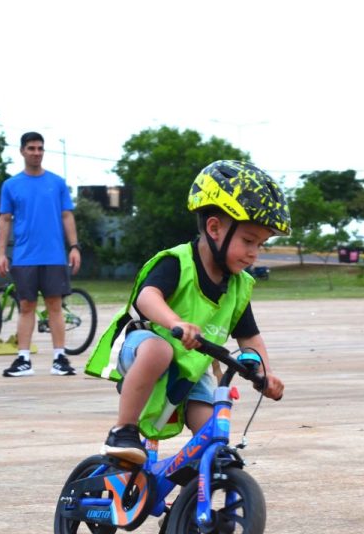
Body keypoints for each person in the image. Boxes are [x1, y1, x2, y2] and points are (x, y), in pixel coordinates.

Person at [85, 160, 287, 463]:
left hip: (190, 370)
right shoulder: (178, 262)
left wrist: (265, 373)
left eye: (261, 244)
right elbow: (147, 298)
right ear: (215, 228)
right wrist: (175, 322)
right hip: (143, 350)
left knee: (213, 440)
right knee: (159, 349)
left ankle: (199, 490)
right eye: (248, 240)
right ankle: (123, 431)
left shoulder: (237, 286)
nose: (253, 253)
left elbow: (250, 338)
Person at [0, 131, 82, 377]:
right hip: (24, 256)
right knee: (26, 306)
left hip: (54, 255)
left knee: (55, 306)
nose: (36, 153)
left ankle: (60, 358)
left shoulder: (57, 183)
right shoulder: (11, 185)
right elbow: (4, 219)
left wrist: (74, 246)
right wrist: (1, 254)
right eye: (31, 148)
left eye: (40, 148)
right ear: (22, 151)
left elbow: (67, 215)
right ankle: (23, 359)